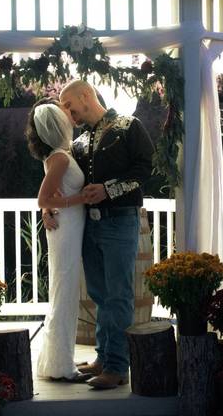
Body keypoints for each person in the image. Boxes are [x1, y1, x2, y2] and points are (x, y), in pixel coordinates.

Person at [59, 79, 154, 390]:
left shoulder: (129, 126)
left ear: (86, 95)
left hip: (120, 221)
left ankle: (117, 366)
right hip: (92, 225)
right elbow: (66, 180)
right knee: (100, 295)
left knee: (118, 296)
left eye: (70, 106)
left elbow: (143, 171)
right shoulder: (80, 141)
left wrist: (108, 190)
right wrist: (50, 206)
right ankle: (103, 357)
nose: (68, 113)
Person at [25, 97, 92, 382]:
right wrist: (80, 198)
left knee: (62, 292)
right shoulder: (61, 157)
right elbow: (43, 197)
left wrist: (52, 208)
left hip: (68, 226)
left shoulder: (58, 154)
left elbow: (50, 199)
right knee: (65, 293)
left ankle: (57, 360)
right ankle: (62, 365)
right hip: (66, 228)